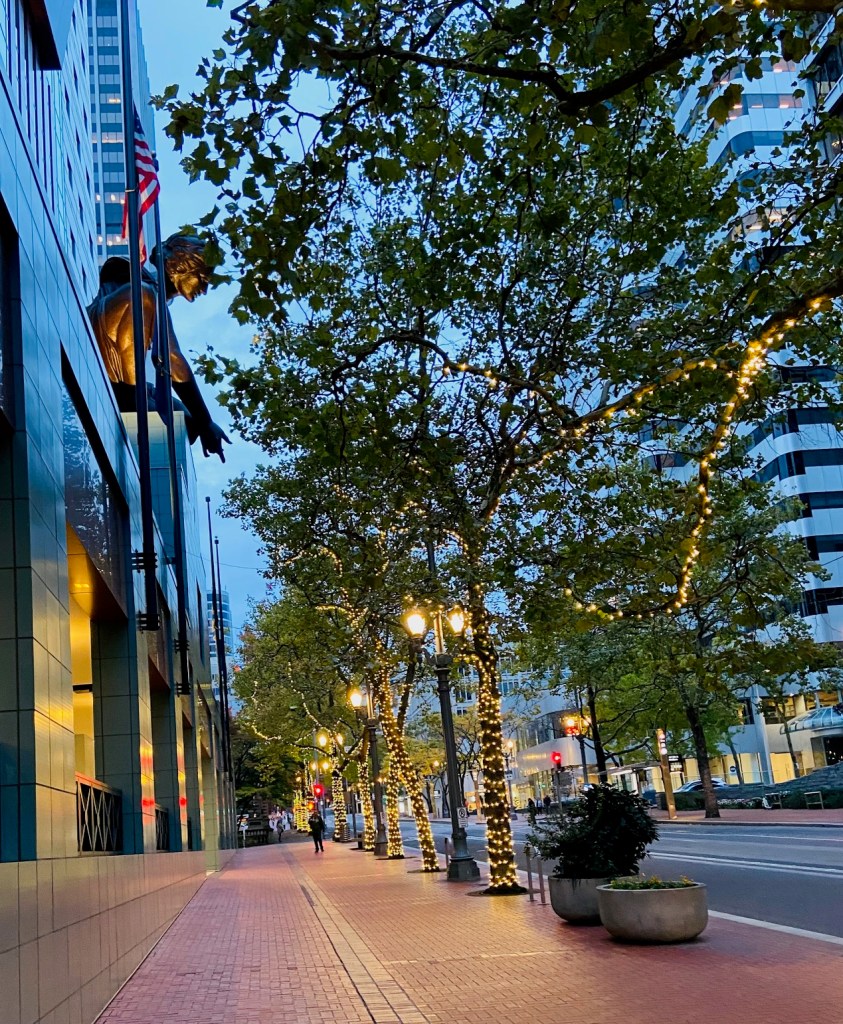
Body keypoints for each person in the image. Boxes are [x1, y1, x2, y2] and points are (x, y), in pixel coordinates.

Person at [87, 233, 229, 461]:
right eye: (202, 278)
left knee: (187, 423)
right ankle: (133, 404)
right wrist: (207, 423)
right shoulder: (143, 291)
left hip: (130, 389)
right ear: (180, 266)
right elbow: (172, 360)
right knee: (190, 422)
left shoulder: (150, 295)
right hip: (111, 385)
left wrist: (201, 424)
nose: (204, 289)